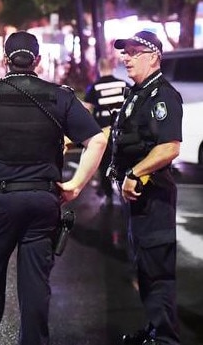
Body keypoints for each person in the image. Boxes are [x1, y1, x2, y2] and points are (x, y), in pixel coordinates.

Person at [0, 31, 107, 345]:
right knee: (36, 285)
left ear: (5, 60)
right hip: (42, 202)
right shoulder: (60, 96)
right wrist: (74, 186)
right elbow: (98, 139)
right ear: (38, 60)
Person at [110, 30, 182, 345]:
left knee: (158, 273)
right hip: (140, 201)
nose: (126, 57)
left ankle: (166, 339)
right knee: (145, 268)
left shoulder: (163, 96)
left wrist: (134, 173)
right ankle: (154, 330)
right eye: (124, 52)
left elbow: (170, 147)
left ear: (153, 57)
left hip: (155, 198)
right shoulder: (137, 93)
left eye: (134, 51)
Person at [83, 57, 130, 205]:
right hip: (122, 131)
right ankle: (124, 188)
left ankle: (108, 192)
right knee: (122, 160)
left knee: (104, 163)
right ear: (113, 68)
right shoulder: (123, 84)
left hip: (103, 132)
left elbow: (87, 109)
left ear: (99, 68)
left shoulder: (95, 87)